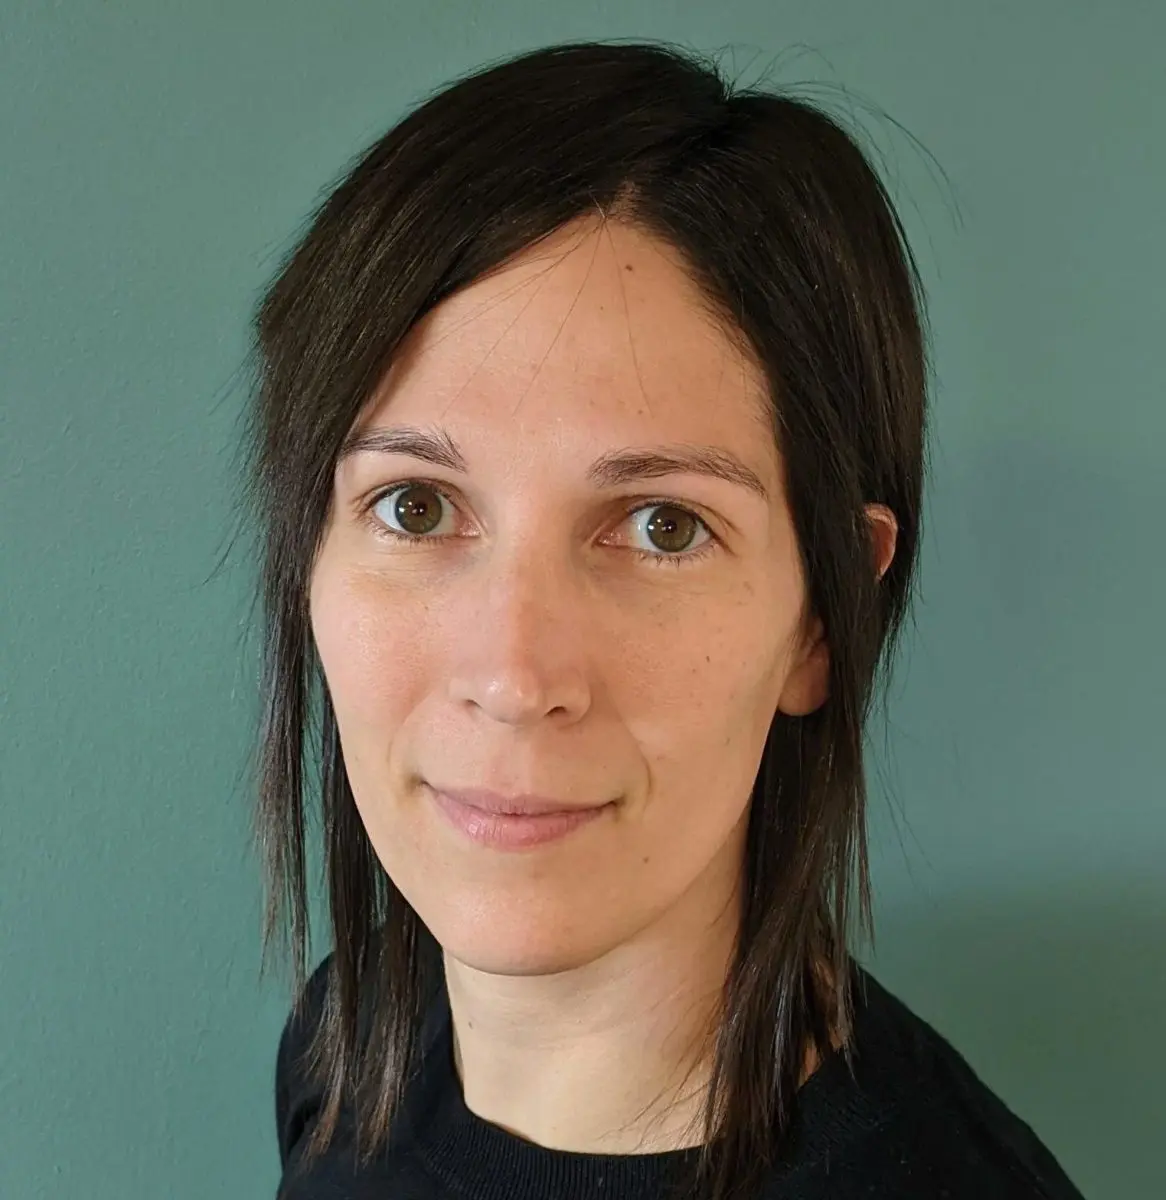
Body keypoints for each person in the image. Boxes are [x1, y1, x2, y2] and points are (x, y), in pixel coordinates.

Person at [246, 39, 1086, 1200]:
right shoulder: (349, 1035)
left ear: (822, 615)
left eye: (662, 527)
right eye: (415, 506)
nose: (513, 675)